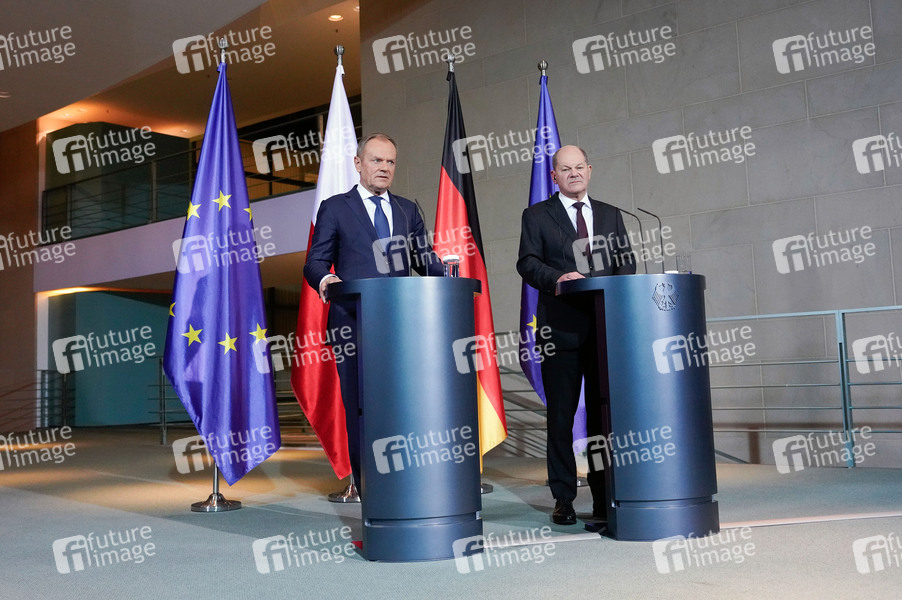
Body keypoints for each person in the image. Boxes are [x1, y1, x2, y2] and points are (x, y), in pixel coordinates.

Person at [303, 132, 444, 491]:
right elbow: (315, 262)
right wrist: (328, 280)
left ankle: (404, 486)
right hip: (353, 326)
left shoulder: (407, 209)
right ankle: (369, 490)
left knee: (403, 406)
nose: (384, 167)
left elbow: (424, 259)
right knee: (362, 410)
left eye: (390, 161)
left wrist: (450, 276)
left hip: (402, 327)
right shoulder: (336, 207)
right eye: (376, 160)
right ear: (358, 163)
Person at [516, 145, 636, 525]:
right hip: (560, 330)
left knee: (603, 418)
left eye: (579, 167)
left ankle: (604, 495)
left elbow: (626, 262)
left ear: (590, 170)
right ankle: (564, 497)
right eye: (565, 169)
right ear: (554, 176)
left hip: (604, 331)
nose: (574, 174)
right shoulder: (537, 215)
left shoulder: (611, 214)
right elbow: (527, 262)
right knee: (561, 418)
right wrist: (558, 278)